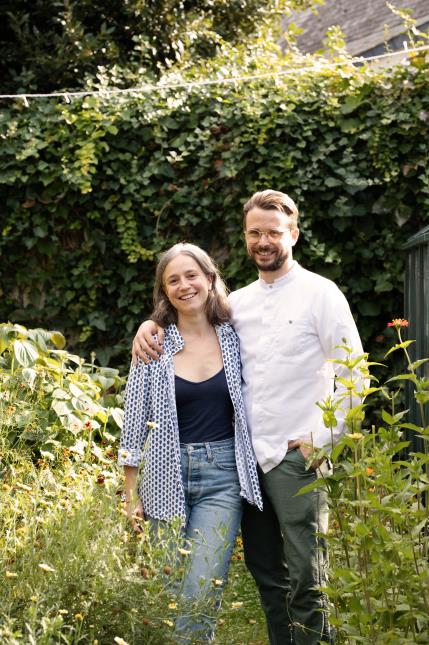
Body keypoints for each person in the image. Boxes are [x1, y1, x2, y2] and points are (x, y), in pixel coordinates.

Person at [132, 190, 365, 645]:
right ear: (245, 238)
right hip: (245, 462)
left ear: (293, 234)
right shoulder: (237, 303)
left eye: (273, 233)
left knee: (307, 574)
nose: (263, 241)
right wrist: (151, 325)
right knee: (267, 575)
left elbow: (354, 374)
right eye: (254, 233)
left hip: (298, 455)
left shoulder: (322, 294)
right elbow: (189, 321)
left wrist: (322, 437)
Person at [119, 242, 262, 644]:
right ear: (165, 292)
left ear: (210, 278)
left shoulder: (236, 337)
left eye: (191, 275)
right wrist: (130, 494)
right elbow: (133, 422)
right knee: (167, 594)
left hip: (222, 479)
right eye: (173, 280)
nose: (184, 285)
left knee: (201, 591)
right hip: (164, 474)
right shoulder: (154, 345)